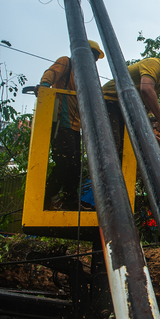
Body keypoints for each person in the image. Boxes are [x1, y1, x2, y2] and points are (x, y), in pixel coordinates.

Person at [35, 40, 105, 210]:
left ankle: (70, 201)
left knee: (75, 166)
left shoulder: (85, 77)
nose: (94, 62)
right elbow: (51, 73)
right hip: (61, 122)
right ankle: (46, 197)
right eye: (93, 57)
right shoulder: (66, 62)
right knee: (65, 162)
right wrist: (44, 86)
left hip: (76, 127)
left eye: (96, 59)